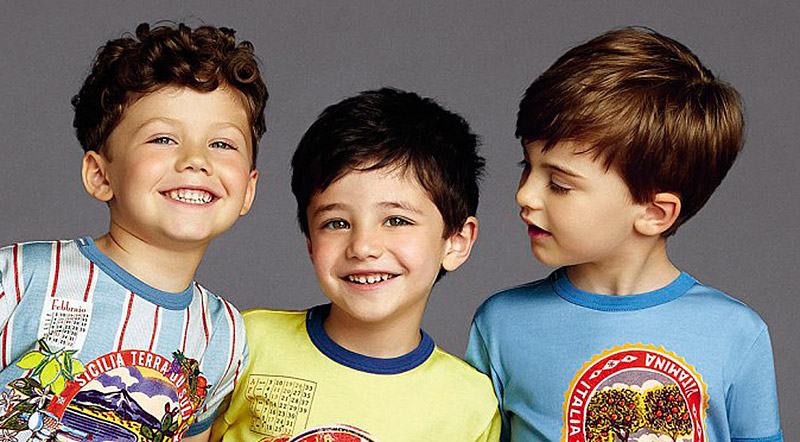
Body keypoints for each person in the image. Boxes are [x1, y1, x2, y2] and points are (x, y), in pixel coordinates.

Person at [466, 27, 783, 442]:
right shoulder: (502, 325)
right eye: (527, 165)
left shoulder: (736, 333)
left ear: (653, 213)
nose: (524, 195)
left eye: (559, 184)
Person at [0, 22, 267, 442]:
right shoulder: (22, 277)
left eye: (221, 144)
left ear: (248, 190)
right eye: (163, 139)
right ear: (100, 174)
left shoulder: (223, 335)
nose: (195, 160)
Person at [210, 88, 501, 441]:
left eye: (396, 220)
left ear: (456, 242)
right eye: (337, 223)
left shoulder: (469, 403)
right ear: (311, 242)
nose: (363, 247)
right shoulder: (246, 342)